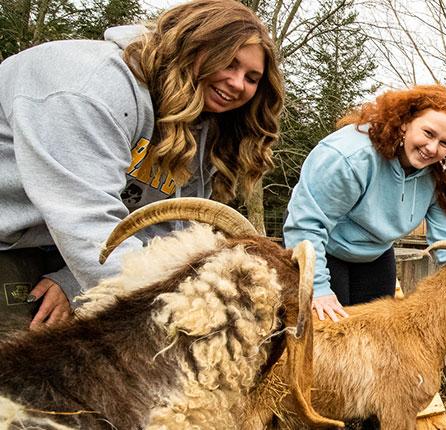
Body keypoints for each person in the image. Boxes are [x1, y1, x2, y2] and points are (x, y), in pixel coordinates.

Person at [0, 0, 285, 331]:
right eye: (229, 63)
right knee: (22, 353)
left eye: (252, 77)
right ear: (191, 45)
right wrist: (184, 317)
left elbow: (167, 230)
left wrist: (72, 283)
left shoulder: (197, 123)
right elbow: (83, 216)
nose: (238, 83)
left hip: (70, 246)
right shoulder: (92, 87)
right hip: (12, 238)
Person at [283, 84, 446, 322]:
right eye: (428, 133)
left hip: (374, 251)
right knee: (330, 327)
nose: (432, 148)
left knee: (375, 328)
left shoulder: (440, 174)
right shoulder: (351, 156)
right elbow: (306, 224)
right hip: (322, 244)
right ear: (406, 122)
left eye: (444, 143)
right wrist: (318, 289)